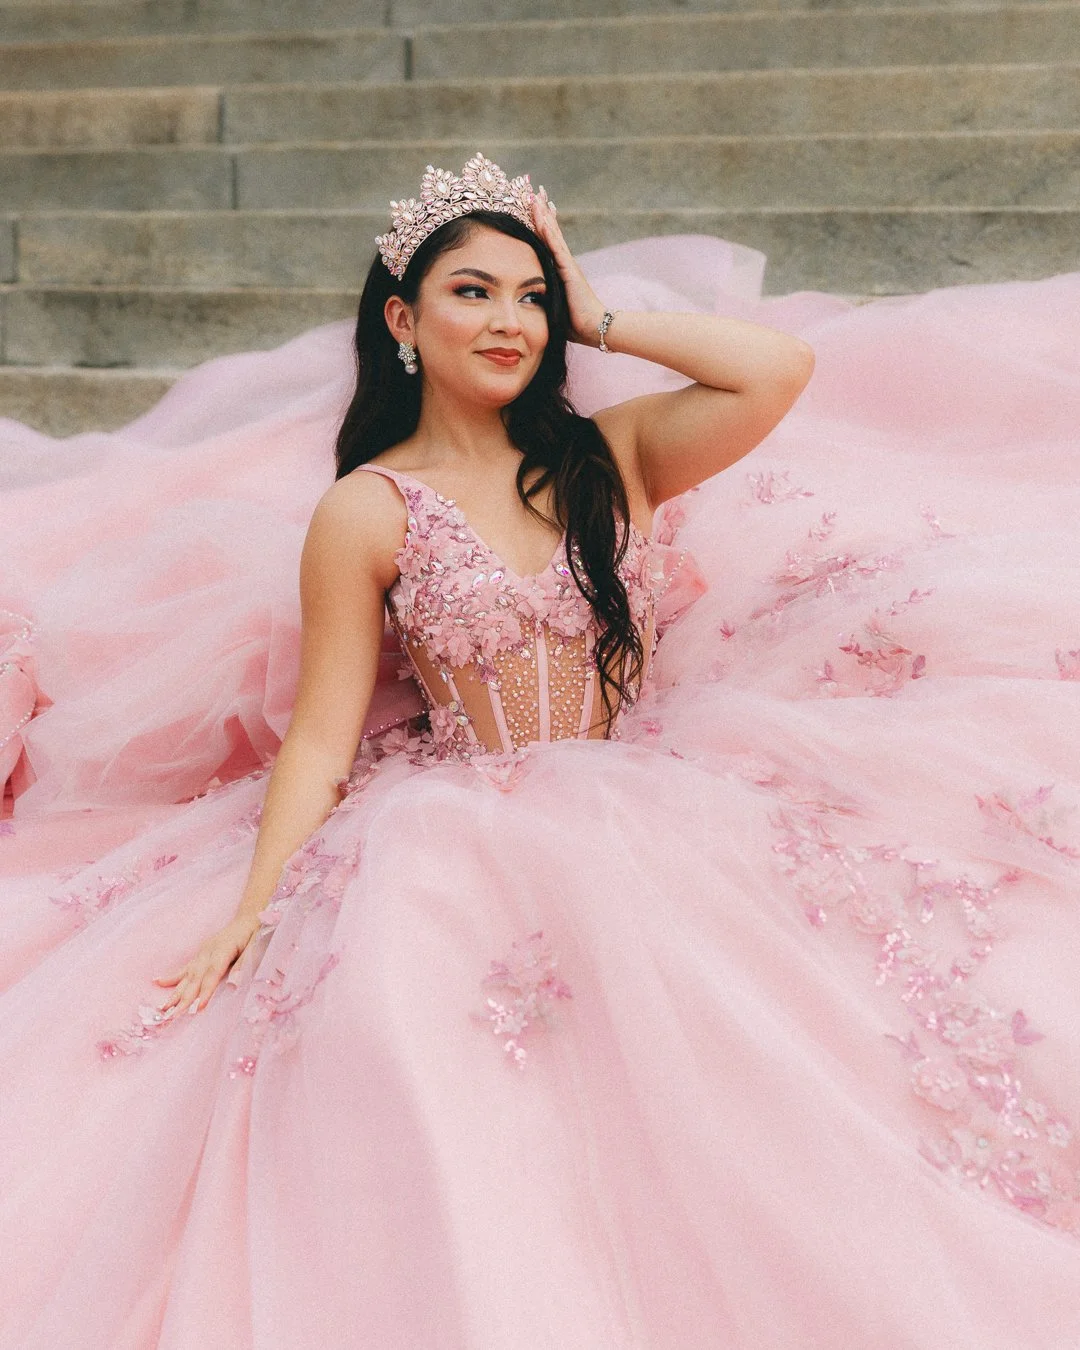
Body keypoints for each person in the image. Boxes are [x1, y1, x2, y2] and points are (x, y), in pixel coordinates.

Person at [1, 151, 1079, 1349]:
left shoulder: (605, 456)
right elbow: (318, 736)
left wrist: (597, 310)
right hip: (458, 825)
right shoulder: (369, 507)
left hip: (650, 794)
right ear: (405, 320)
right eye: (474, 292)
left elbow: (781, 368)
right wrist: (253, 906)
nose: (509, 319)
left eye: (528, 295)